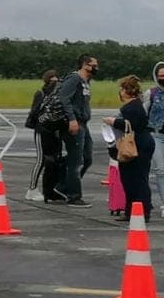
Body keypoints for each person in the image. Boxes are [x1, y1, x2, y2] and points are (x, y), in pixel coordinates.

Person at [103, 75, 155, 222]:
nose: (120, 92)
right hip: (141, 142)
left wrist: (113, 121)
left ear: (126, 91)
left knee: (137, 178)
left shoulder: (132, 107)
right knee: (129, 178)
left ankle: (142, 210)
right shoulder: (135, 105)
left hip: (139, 144)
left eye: (122, 89)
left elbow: (130, 124)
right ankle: (131, 209)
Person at [52, 54, 98, 208]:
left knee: (87, 157)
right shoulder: (74, 79)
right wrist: (72, 119)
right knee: (75, 161)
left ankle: (62, 187)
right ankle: (73, 196)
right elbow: (64, 98)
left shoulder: (86, 82)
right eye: (93, 65)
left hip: (83, 123)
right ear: (85, 65)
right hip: (75, 123)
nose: (96, 68)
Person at [24, 69, 62, 201]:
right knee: (41, 160)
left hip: (53, 131)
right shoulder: (40, 93)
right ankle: (32, 188)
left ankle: (50, 189)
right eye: (53, 81)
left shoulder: (58, 95)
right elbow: (34, 112)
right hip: (41, 130)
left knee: (53, 161)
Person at [145, 61, 164, 217]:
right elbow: (144, 113)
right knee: (160, 170)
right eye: (160, 76)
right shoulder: (151, 93)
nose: (162, 78)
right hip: (156, 134)